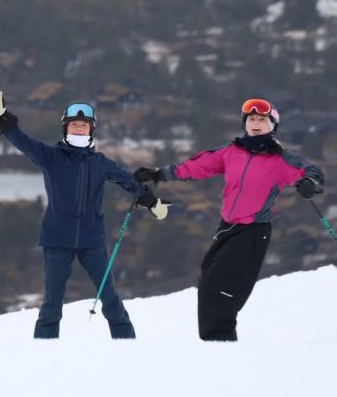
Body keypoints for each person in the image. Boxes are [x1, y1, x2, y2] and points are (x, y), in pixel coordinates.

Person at [0, 88, 170, 339]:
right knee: (52, 303)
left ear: (91, 130)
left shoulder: (100, 163)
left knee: (110, 298)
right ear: (65, 129)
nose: (79, 129)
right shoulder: (52, 157)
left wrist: (152, 202)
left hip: (92, 240)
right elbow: (23, 142)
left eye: (83, 126)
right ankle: (43, 350)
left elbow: (129, 182)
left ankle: (126, 346)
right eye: (74, 125)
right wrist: (3, 117)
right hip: (57, 239)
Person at [133, 97, 325, 342]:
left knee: (221, 293)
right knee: (208, 285)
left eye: (262, 120)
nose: (256, 124)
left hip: (253, 232)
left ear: (272, 126)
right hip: (227, 228)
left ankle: (220, 348)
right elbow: (196, 166)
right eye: (252, 119)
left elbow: (309, 170)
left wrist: (310, 182)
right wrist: (158, 174)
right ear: (245, 124)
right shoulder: (231, 152)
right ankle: (217, 346)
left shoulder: (280, 159)